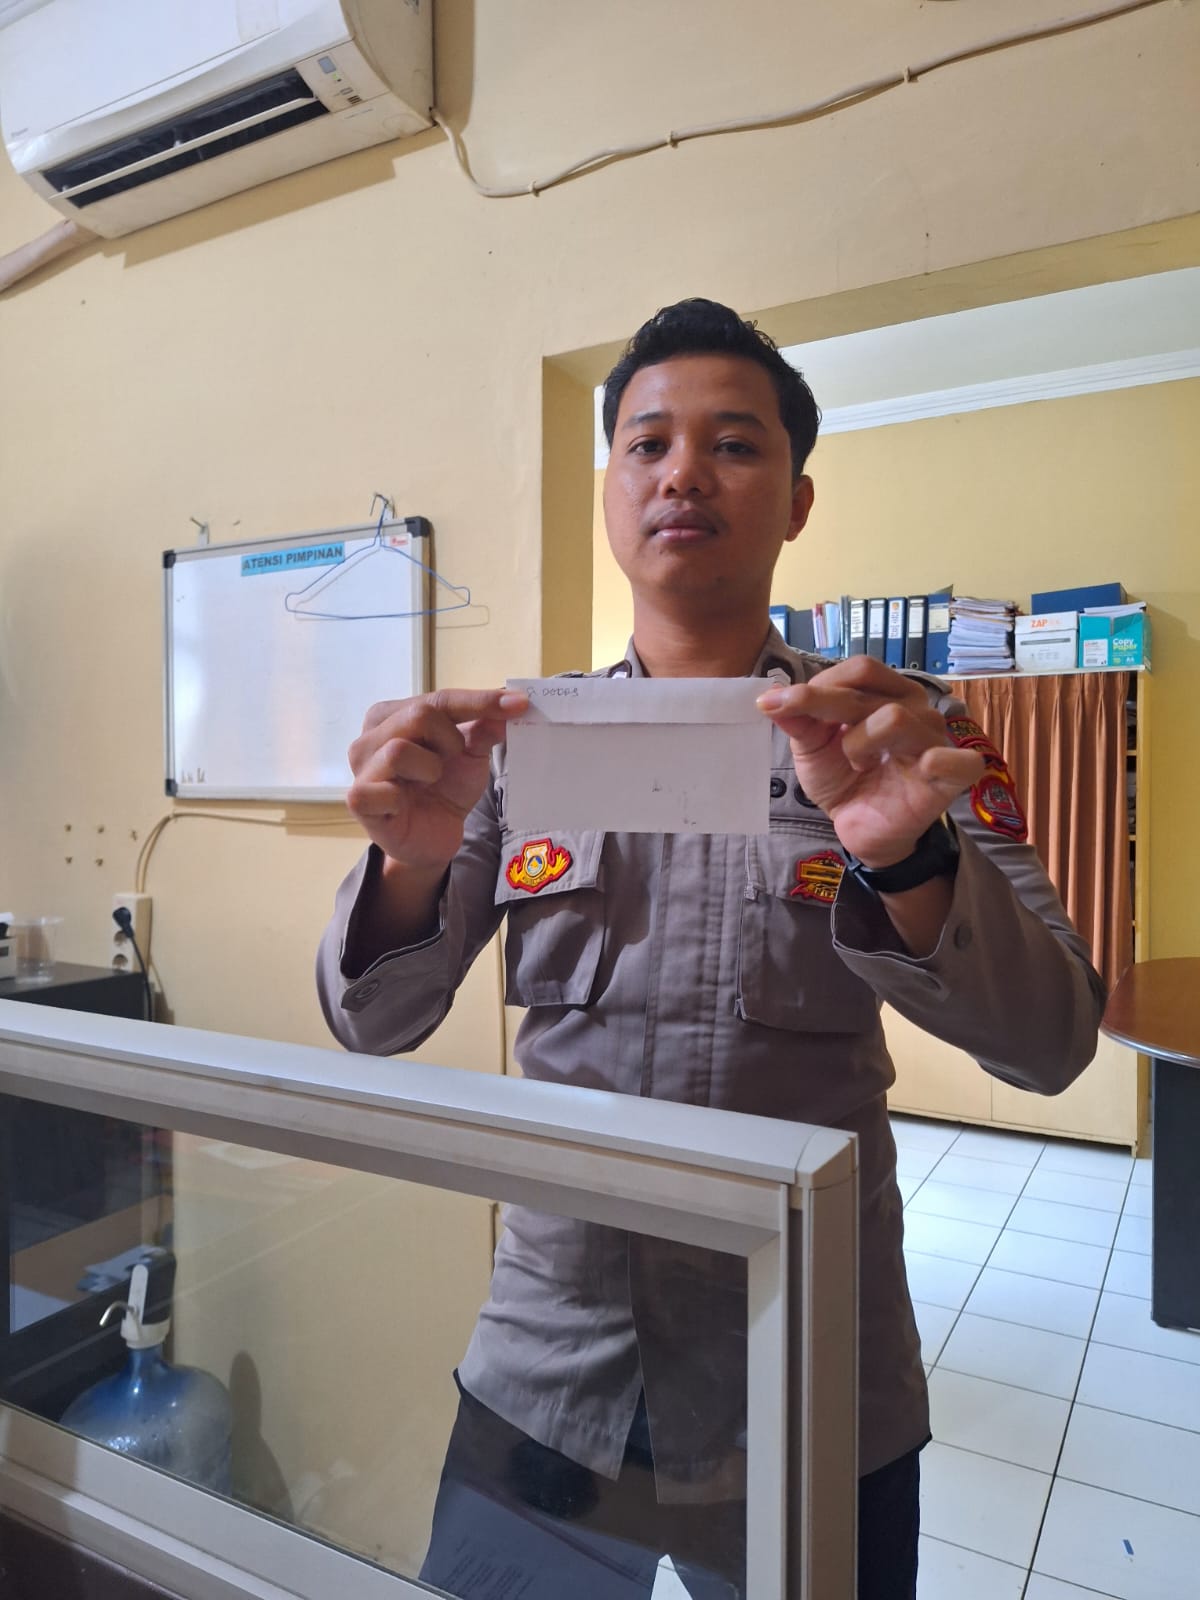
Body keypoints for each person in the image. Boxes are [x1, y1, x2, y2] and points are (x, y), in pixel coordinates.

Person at [317, 299, 1105, 1598]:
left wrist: (909, 859)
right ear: (611, 491)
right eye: (647, 444)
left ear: (797, 501)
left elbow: (1055, 1043)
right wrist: (409, 860)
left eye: (733, 444)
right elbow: (372, 1023)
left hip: (809, 1369)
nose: (682, 472)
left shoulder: (902, 737)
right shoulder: (513, 749)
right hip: (553, 1366)